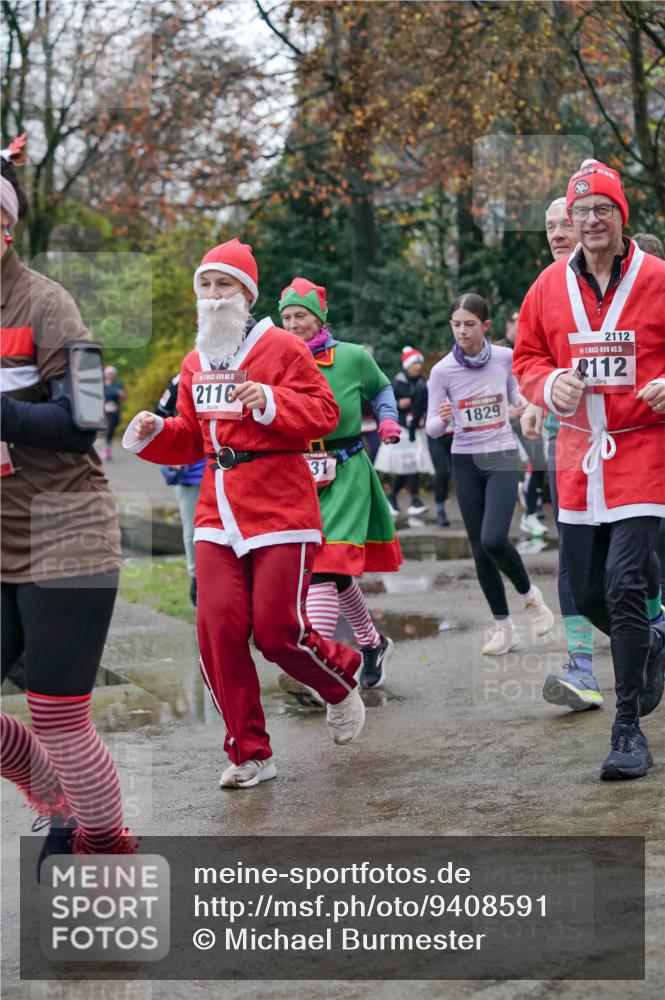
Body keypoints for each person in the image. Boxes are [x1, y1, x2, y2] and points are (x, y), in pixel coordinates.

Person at [123, 240, 364, 789]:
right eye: (205, 286)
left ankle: (338, 682)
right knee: (217, 629)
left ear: (247, 294)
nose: (213, 297)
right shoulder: (193, 361)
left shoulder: (281, 347)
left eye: (224, 286)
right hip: (217, 507)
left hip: (280, 503)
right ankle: (251, 751)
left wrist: (273, 402)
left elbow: (326, 412)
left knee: (279, 632)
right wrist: (155, 433)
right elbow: (191, 437)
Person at [1, 144, 133, 863]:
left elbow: (83, 420)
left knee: (55, 711)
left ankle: (104, 841)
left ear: (7, 227)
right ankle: (59, 804)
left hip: (66, 525)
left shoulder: (49, 304)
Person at [513, 159, 665, 780]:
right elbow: (527, 357)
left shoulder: (657, 277)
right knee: (589, 589)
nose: (592, 220)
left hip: (641, 451)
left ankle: (627, 727)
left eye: (603, 209)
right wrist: (549, 384)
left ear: (620, 216)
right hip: (577, 458)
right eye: (582, 211)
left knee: (626, 583)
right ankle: (652, 639)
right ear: (569, 221)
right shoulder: (548, 287)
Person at [278, 277, 402, 690]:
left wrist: (387, 420)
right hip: (298, 473)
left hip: (346, 469)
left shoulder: (351, 357)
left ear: (319, 318)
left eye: (302, 316)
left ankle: (318, 667)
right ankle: (372, 642)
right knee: (326, 567)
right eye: (288, 317)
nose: (294, 324)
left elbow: (382, 388)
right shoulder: (275, 359)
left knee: (325, 569)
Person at [426, 293, 554, 655]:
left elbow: (519, 395)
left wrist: (519, 407)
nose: (462, 331)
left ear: (485, 327)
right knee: (480, 551)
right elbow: (432, 427)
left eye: (469, 324)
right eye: (456, 324)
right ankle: (503, 627)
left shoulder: (505, 358)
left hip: (500, 455)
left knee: (494, 539)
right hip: (464, 459)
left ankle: (531, 599)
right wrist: (444, 419)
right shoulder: (441, 372)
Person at [520, 196, 603, 711]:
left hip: (629, 445)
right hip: (568, 444)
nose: (556, 233)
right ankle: (583, 668)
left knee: (635, 561)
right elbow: (533, 362)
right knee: (572, 561)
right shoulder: (543, 292)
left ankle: (654, 628)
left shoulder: (625, 283)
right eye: (548, 227)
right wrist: (537, 402)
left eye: (562, 223)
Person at [156, 372, 206, 606]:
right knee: (194, 528)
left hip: (232, 464)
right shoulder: (182, 378)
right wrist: (169, 456)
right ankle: (197, 582)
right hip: (193, 468)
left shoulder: (243, 364)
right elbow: (159, 417)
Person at [501, 311, 547, 538]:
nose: (521, 328)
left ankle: (530, 512)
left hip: (526, 412)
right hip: (501, 419)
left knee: (539, 460)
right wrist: (504, 407)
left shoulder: (530, 346)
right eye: (517, 324)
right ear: (507, 326)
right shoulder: (498, 351)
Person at [375, 347, 433, 517]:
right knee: (405, 465)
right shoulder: (396, 383)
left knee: (413, 463)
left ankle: (409, 499)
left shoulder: (422, 383)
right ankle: (398, 497)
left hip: (416, 428)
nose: (418, 366)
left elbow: (425, 403)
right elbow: (385, 402)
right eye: (415, 363)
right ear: (407, 365)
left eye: (419, 363)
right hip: (401, 429)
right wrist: (398, 404)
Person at [102, 364, 126, 460]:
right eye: (109, 373)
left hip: (115, 411)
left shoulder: (118, 385)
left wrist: (121, 394)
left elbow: (124, 397)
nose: (111, 375)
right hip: (104, 411)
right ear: (106, 374)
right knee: (108, 428)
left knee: (112, 428)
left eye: (112, 373)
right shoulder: (102, 385)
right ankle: (106, 448)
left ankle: (107, 445)